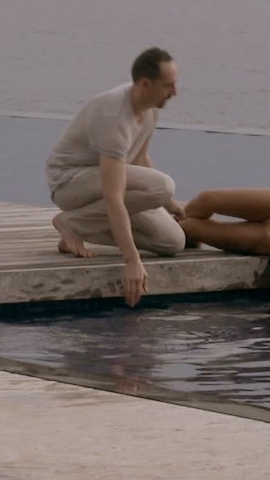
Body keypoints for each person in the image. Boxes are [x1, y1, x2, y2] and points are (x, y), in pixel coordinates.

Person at [45, 47, 187, 306]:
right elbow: (114, 197)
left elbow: (139, 158)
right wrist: (131, 261)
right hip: (69, 182)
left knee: (172, 242)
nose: (174, 92)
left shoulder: (151, 107)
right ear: (146, 84)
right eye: (168, 85)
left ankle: (73, 225)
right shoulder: (113, 117)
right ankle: (74, 224)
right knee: (162, 186)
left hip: (101, 182)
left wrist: (170, 204)